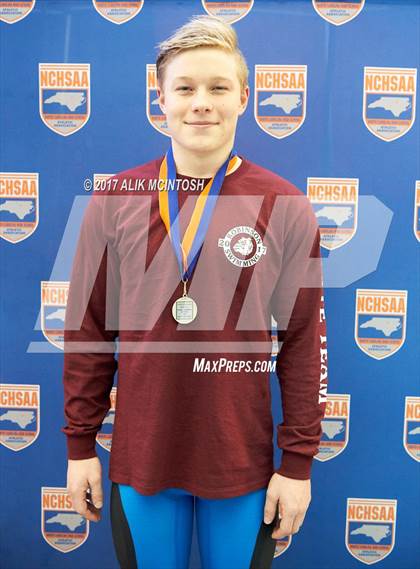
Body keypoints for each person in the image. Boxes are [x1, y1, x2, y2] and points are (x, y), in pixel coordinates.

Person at [62, 14, 328, 569]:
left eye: (218, 88)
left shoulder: (285, 206)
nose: (200, 102)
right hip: (143, 463)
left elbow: (303, 343)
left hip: (240, 466)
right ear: (160, 100)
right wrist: (80, 446)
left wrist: (298, 463)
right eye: (184, 88)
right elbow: (87, 330)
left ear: (244, 99)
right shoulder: (114, 199)